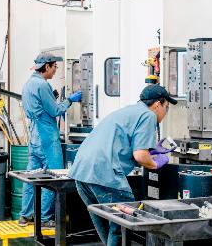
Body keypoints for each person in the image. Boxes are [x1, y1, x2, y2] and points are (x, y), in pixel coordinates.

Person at [68, 84, 177, 245]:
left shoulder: (128, 111)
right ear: (157, 104)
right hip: (105, 175)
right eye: (166, 108)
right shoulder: (149, 116)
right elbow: (140, 156)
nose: (165, 113)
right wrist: (155, 163)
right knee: (122, 228)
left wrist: (151, 150)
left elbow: (126, 144)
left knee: (107, 227)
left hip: (82, 173)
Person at [19, 53, 82, 228]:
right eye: (54, 67)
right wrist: (70, 100)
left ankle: (25, 215)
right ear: (46, 66)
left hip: (34, 135)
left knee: (32, 177)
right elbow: (55, 111)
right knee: (53, 177)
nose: (55, 71)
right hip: (46, 135)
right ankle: (45, 218)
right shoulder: (42, 85)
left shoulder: (28, 84)